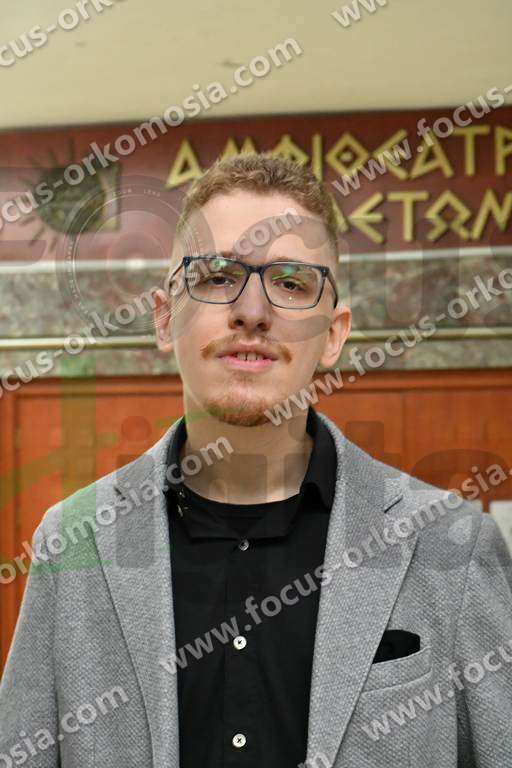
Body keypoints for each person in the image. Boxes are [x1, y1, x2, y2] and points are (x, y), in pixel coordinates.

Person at [1, 153, 511, 768]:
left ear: (333, 334)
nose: (252, 311)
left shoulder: (452, 545)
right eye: (217, 276)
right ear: (164, 317)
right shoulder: (72, 543)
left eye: (291, 283)